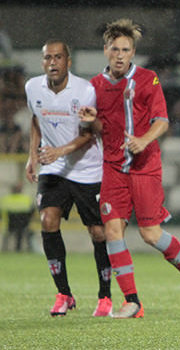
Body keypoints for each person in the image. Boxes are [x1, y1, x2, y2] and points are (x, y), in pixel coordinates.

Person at [78, 18, 180, 319]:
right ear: (106, 50)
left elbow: (161, 121)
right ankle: (132, 301)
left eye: (125, 49)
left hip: (145, 166)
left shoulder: (148, 79)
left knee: (150, 234)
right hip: (112, 168)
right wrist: (89, 120)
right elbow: (97, 127)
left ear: (133, 51)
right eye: (114, 49)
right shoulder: (94, 86)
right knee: (112, 230)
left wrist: (142, 140)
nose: (120, 55)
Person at [24, 39, 113, 317]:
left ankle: (105, 296)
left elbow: (89, 135)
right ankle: (64, 293)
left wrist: (58, 151)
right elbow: (36, 119)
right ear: (42, 62)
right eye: (48, 58)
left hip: (87, 170)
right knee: (47, 221)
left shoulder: (85, 91)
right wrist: (32, 155)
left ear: (68, 62)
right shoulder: (32, 87)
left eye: (58, 57)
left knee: (98, 232)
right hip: (54, 169)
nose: (52, 62)